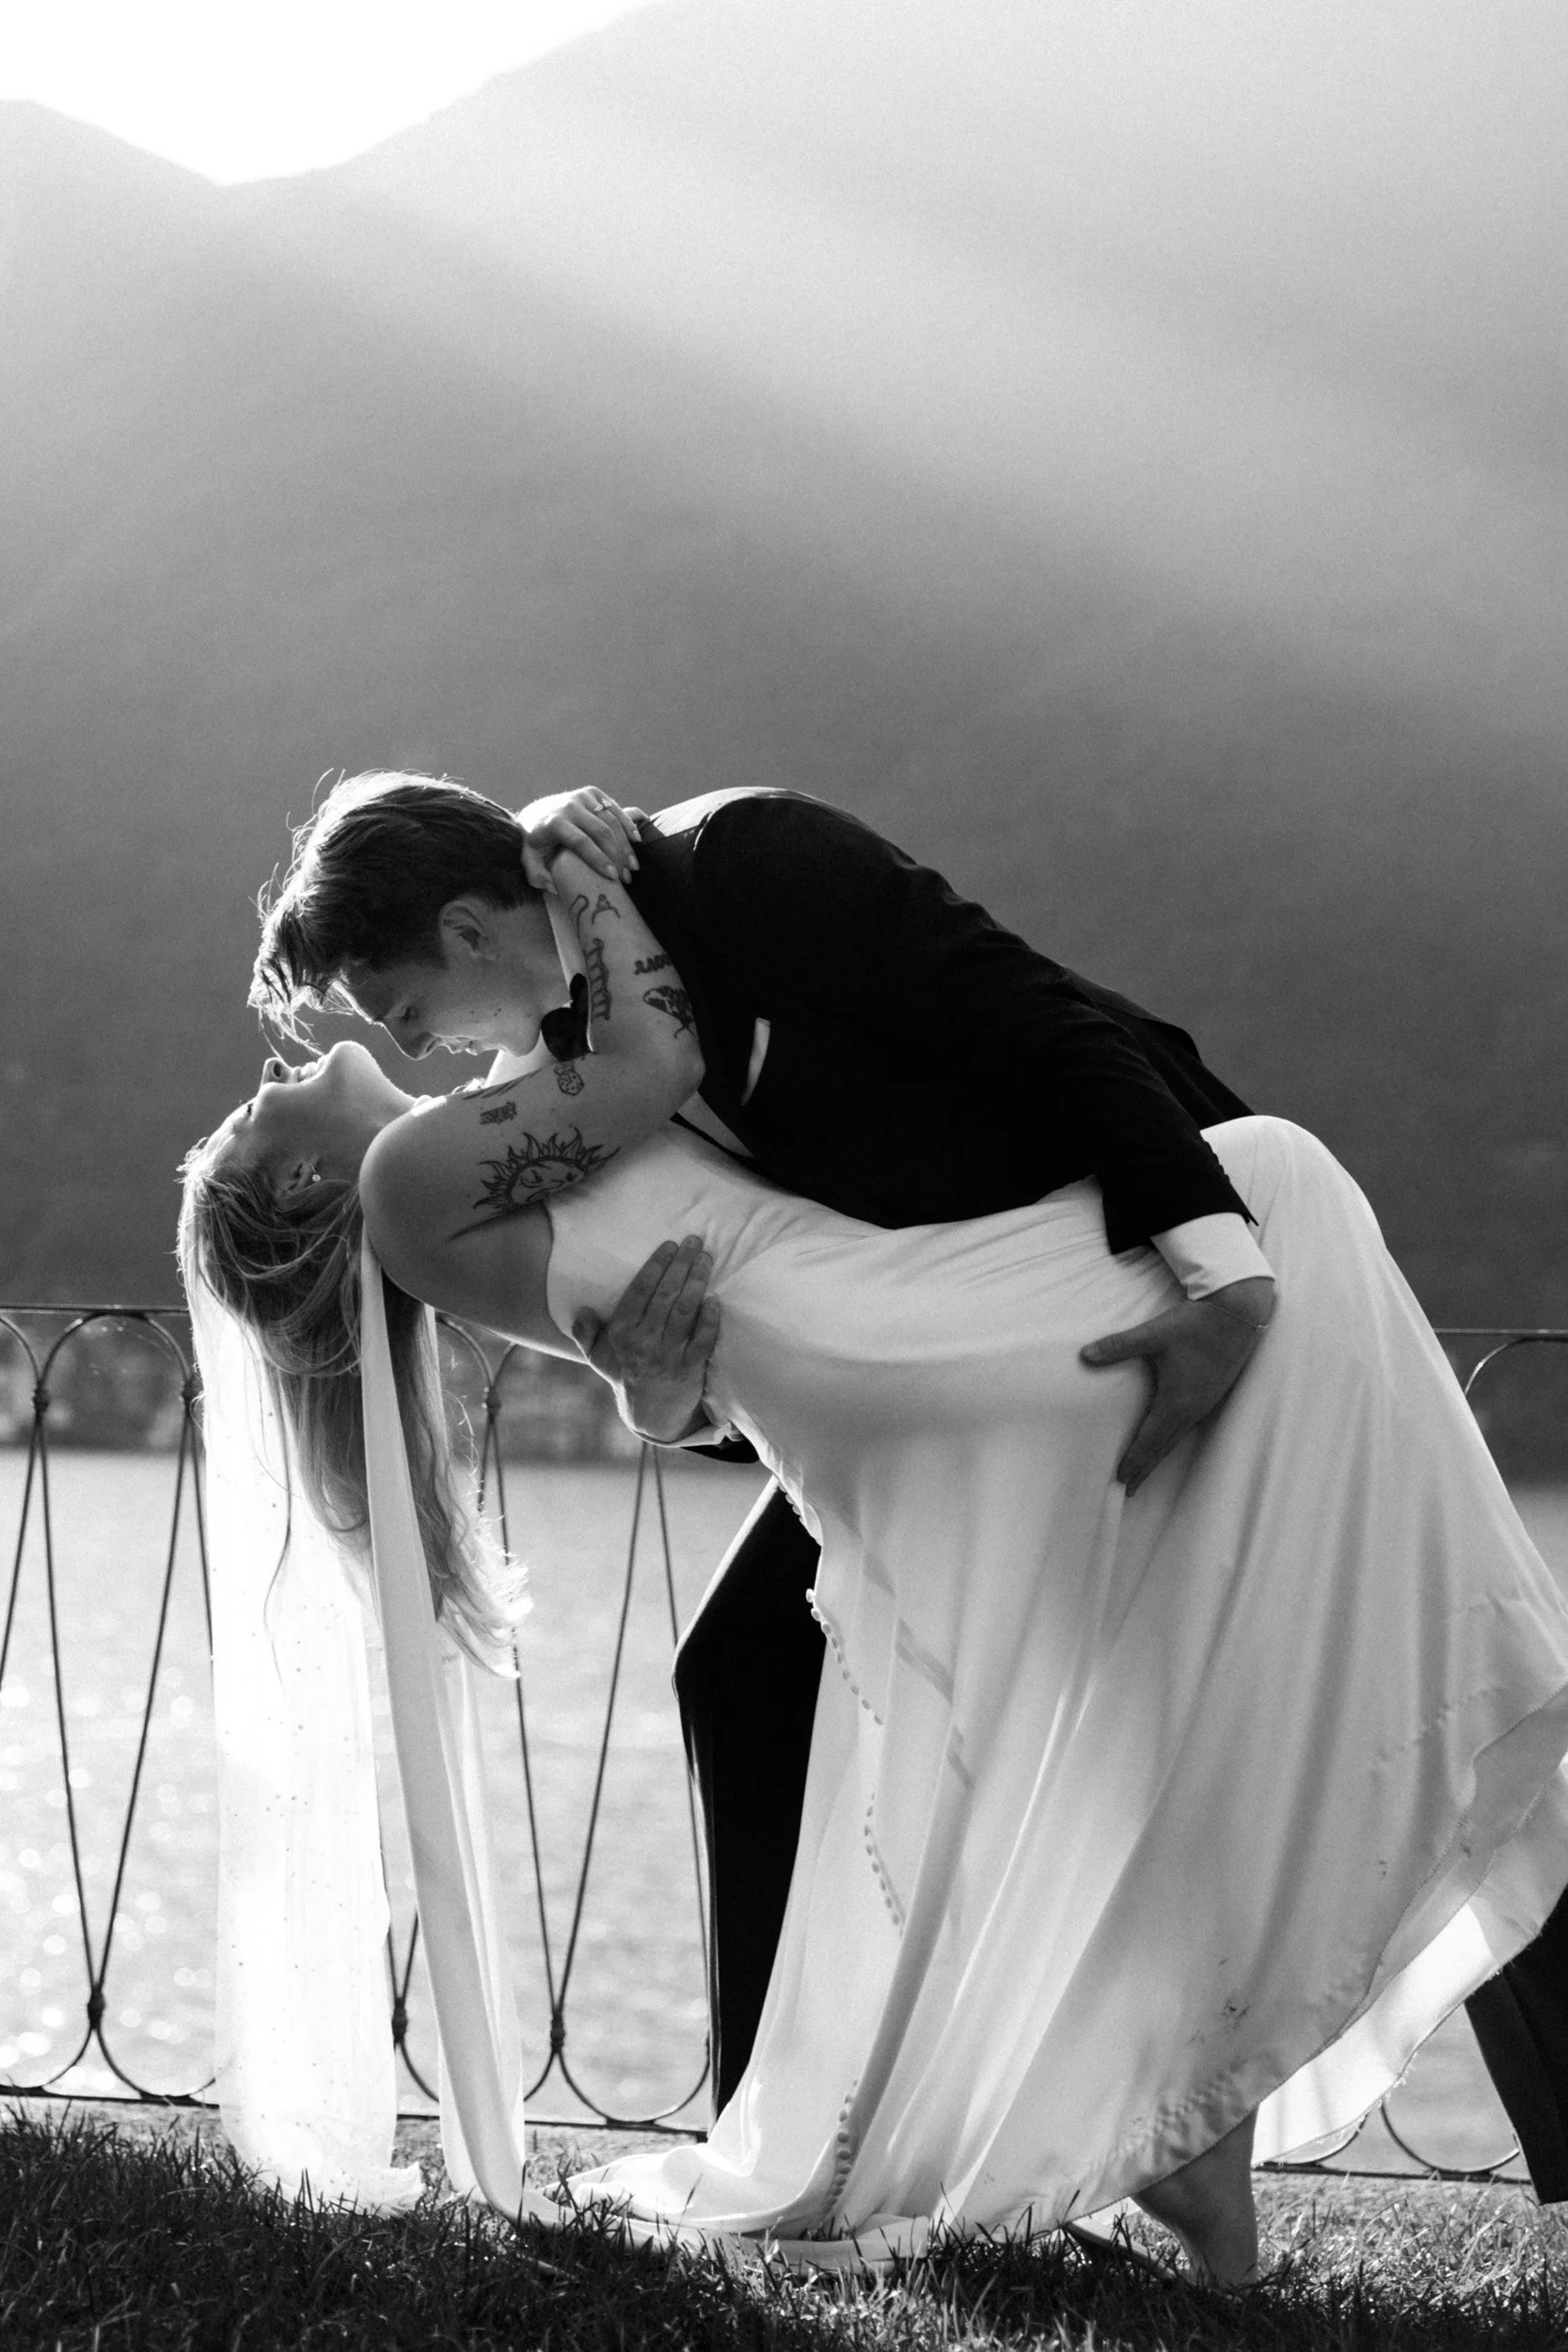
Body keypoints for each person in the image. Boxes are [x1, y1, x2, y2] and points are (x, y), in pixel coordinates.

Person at [186, 843, 1568, 2280]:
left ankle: (1180, 2124)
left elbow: (657, 1317)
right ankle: (1419, 1827)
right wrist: (581, 860)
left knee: (1129, 1710)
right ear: (304, 1184)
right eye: (254, 1123)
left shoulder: (518, 1088)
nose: (279, 1072)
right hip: (898, 1344)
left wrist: (651, 1395)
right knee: (1291, 1221)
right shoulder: (411, 1177)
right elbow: (658, 1079)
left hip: (878, 1337)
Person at [247, 772, 1273, 2117]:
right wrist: (658, 1401)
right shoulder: (542, 1084)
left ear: (466, 928)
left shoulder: (745, 864)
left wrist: (1218, 1269)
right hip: (916, 1352)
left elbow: (1038, 1019)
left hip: (1136, 1214)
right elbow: (715, 1314)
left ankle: (981, 2093)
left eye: (402, 1009)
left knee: (1356, 1652)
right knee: (749, 1671)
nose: (415, 1045)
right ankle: (793, 2113)